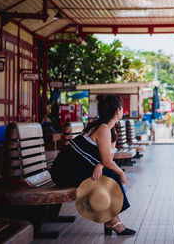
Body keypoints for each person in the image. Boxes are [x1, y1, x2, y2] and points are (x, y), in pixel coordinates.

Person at [50, 94, 135, 236]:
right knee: (111, 175)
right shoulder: (102, 129)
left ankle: (112, 220)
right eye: (121, 107)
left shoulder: (110, 130)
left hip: (76, 167)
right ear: (117, 111)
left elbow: (107, 160)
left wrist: (100, 165)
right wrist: (121, 172)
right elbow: (109, 162)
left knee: (107, 173)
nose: (122, 110)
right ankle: (113, 222)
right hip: (63, 171)